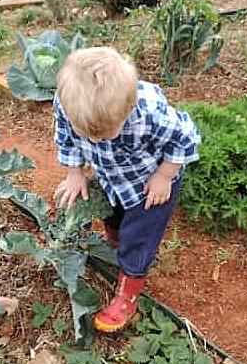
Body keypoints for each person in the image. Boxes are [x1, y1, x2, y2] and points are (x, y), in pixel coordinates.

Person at [52, 46, 199, 334]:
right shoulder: (69, 104)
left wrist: (164, 175)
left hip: (150, 185)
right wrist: (74, 173)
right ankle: (116, 244)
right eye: (88, 134)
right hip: (112, 177)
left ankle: (128, 289)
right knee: (112, 215)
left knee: (138, 235)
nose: (94, 139)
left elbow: (186, 138)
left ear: (128, 107)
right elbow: (65, 135)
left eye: (104, 134)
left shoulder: (150, 114)